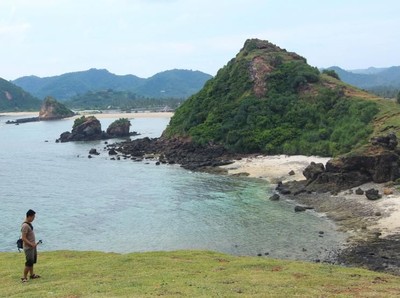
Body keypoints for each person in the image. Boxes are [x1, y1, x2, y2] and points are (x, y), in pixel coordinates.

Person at [21, 209, 41, 283]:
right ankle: (24, 277)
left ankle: (32, 275)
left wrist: (34, 245)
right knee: (28, 262)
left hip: (32, 247)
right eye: (33, 217)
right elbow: (23, 238)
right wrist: (31, 244)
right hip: (28, 247)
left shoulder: (29, 224)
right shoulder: (25, 226)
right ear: (29, 216)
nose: (33, 219)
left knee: (32, 262)